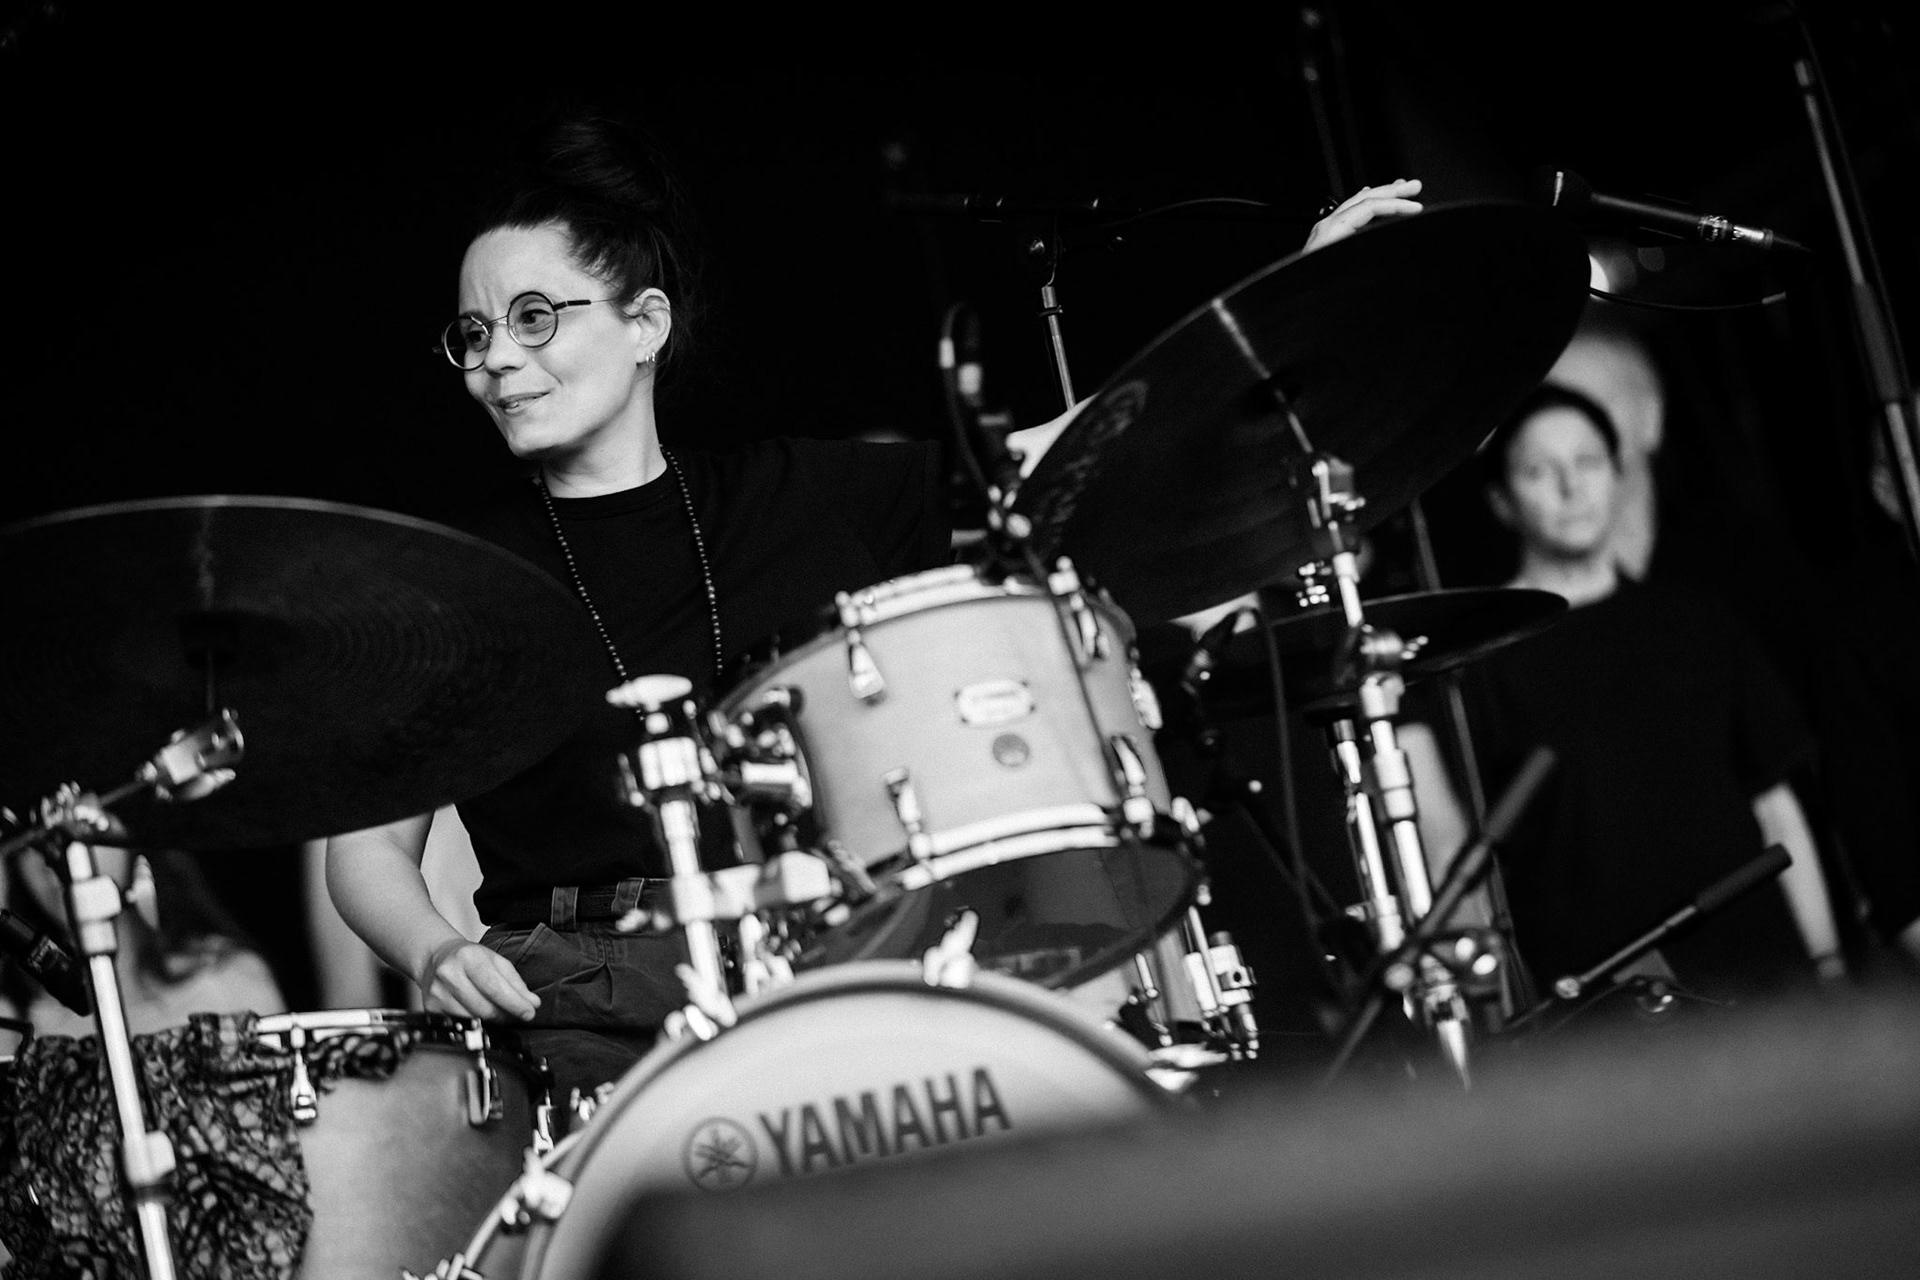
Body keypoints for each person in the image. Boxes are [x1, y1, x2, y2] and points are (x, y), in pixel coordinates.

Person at [325, 108, 1423, 1107]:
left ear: (645, 320)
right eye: (473, 336)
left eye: (530, 318)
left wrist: (1292, 293)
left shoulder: (802, 495)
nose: (497, 360)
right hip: (578, 1008)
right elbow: (365, 849)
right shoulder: (452, 578)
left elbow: (1067, 445)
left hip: (822, 970)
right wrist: (429, 947)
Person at [1405, 383, 1844, 1010]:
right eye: (1539, 470)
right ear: (1502, 501)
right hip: (1602, 1004)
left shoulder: (1696, 621)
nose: (1570, 487)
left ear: (1618, 475)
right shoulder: (1476, 664)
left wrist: (1825, 966)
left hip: (1762, 974)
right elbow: (1463, 861)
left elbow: (1776, 808)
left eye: (1587, 463)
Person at [0, 848, 285, 1042]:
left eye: (77, 830)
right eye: (31, 843)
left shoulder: (227, 979)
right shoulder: (20, 1020)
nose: (51, 859)